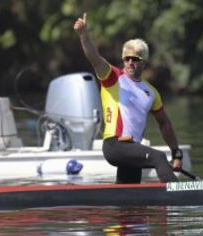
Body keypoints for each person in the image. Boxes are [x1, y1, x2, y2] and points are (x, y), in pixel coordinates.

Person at [74, 13, 183, 183]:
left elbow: (164, 123)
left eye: (135, 59)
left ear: (144, 62)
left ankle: (128, 209)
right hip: (115, 145)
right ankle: (180, 199)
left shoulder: (151, 92)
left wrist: (176, 152)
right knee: (159, 157)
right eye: (127, 59)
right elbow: (94, 58)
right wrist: (83, 35)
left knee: (129, 196)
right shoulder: (113, 77)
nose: (130, 62)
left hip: (133, 148)